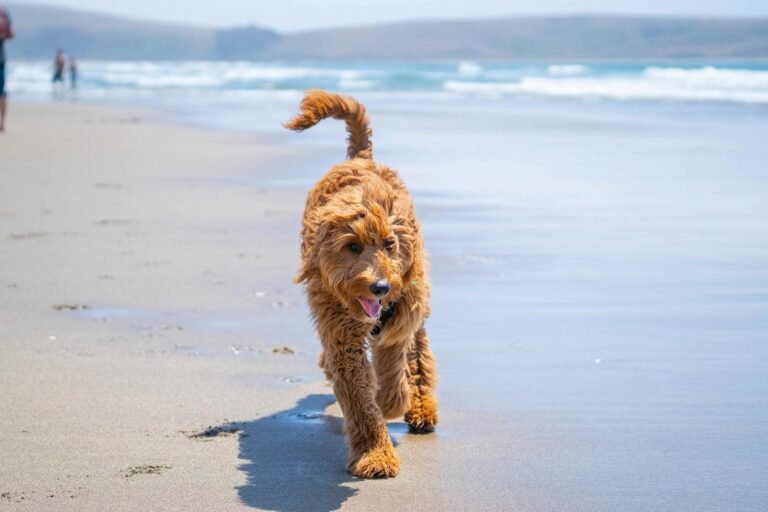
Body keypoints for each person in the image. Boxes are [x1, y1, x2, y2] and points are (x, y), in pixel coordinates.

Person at [0, 6, 14, 132]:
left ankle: (3, 123)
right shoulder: (4, 14)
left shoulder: (4, 14)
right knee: (2, 93)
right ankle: (2, 123)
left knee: (2, 93)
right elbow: (11, 34)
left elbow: (11, 34)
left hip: (1, 59)